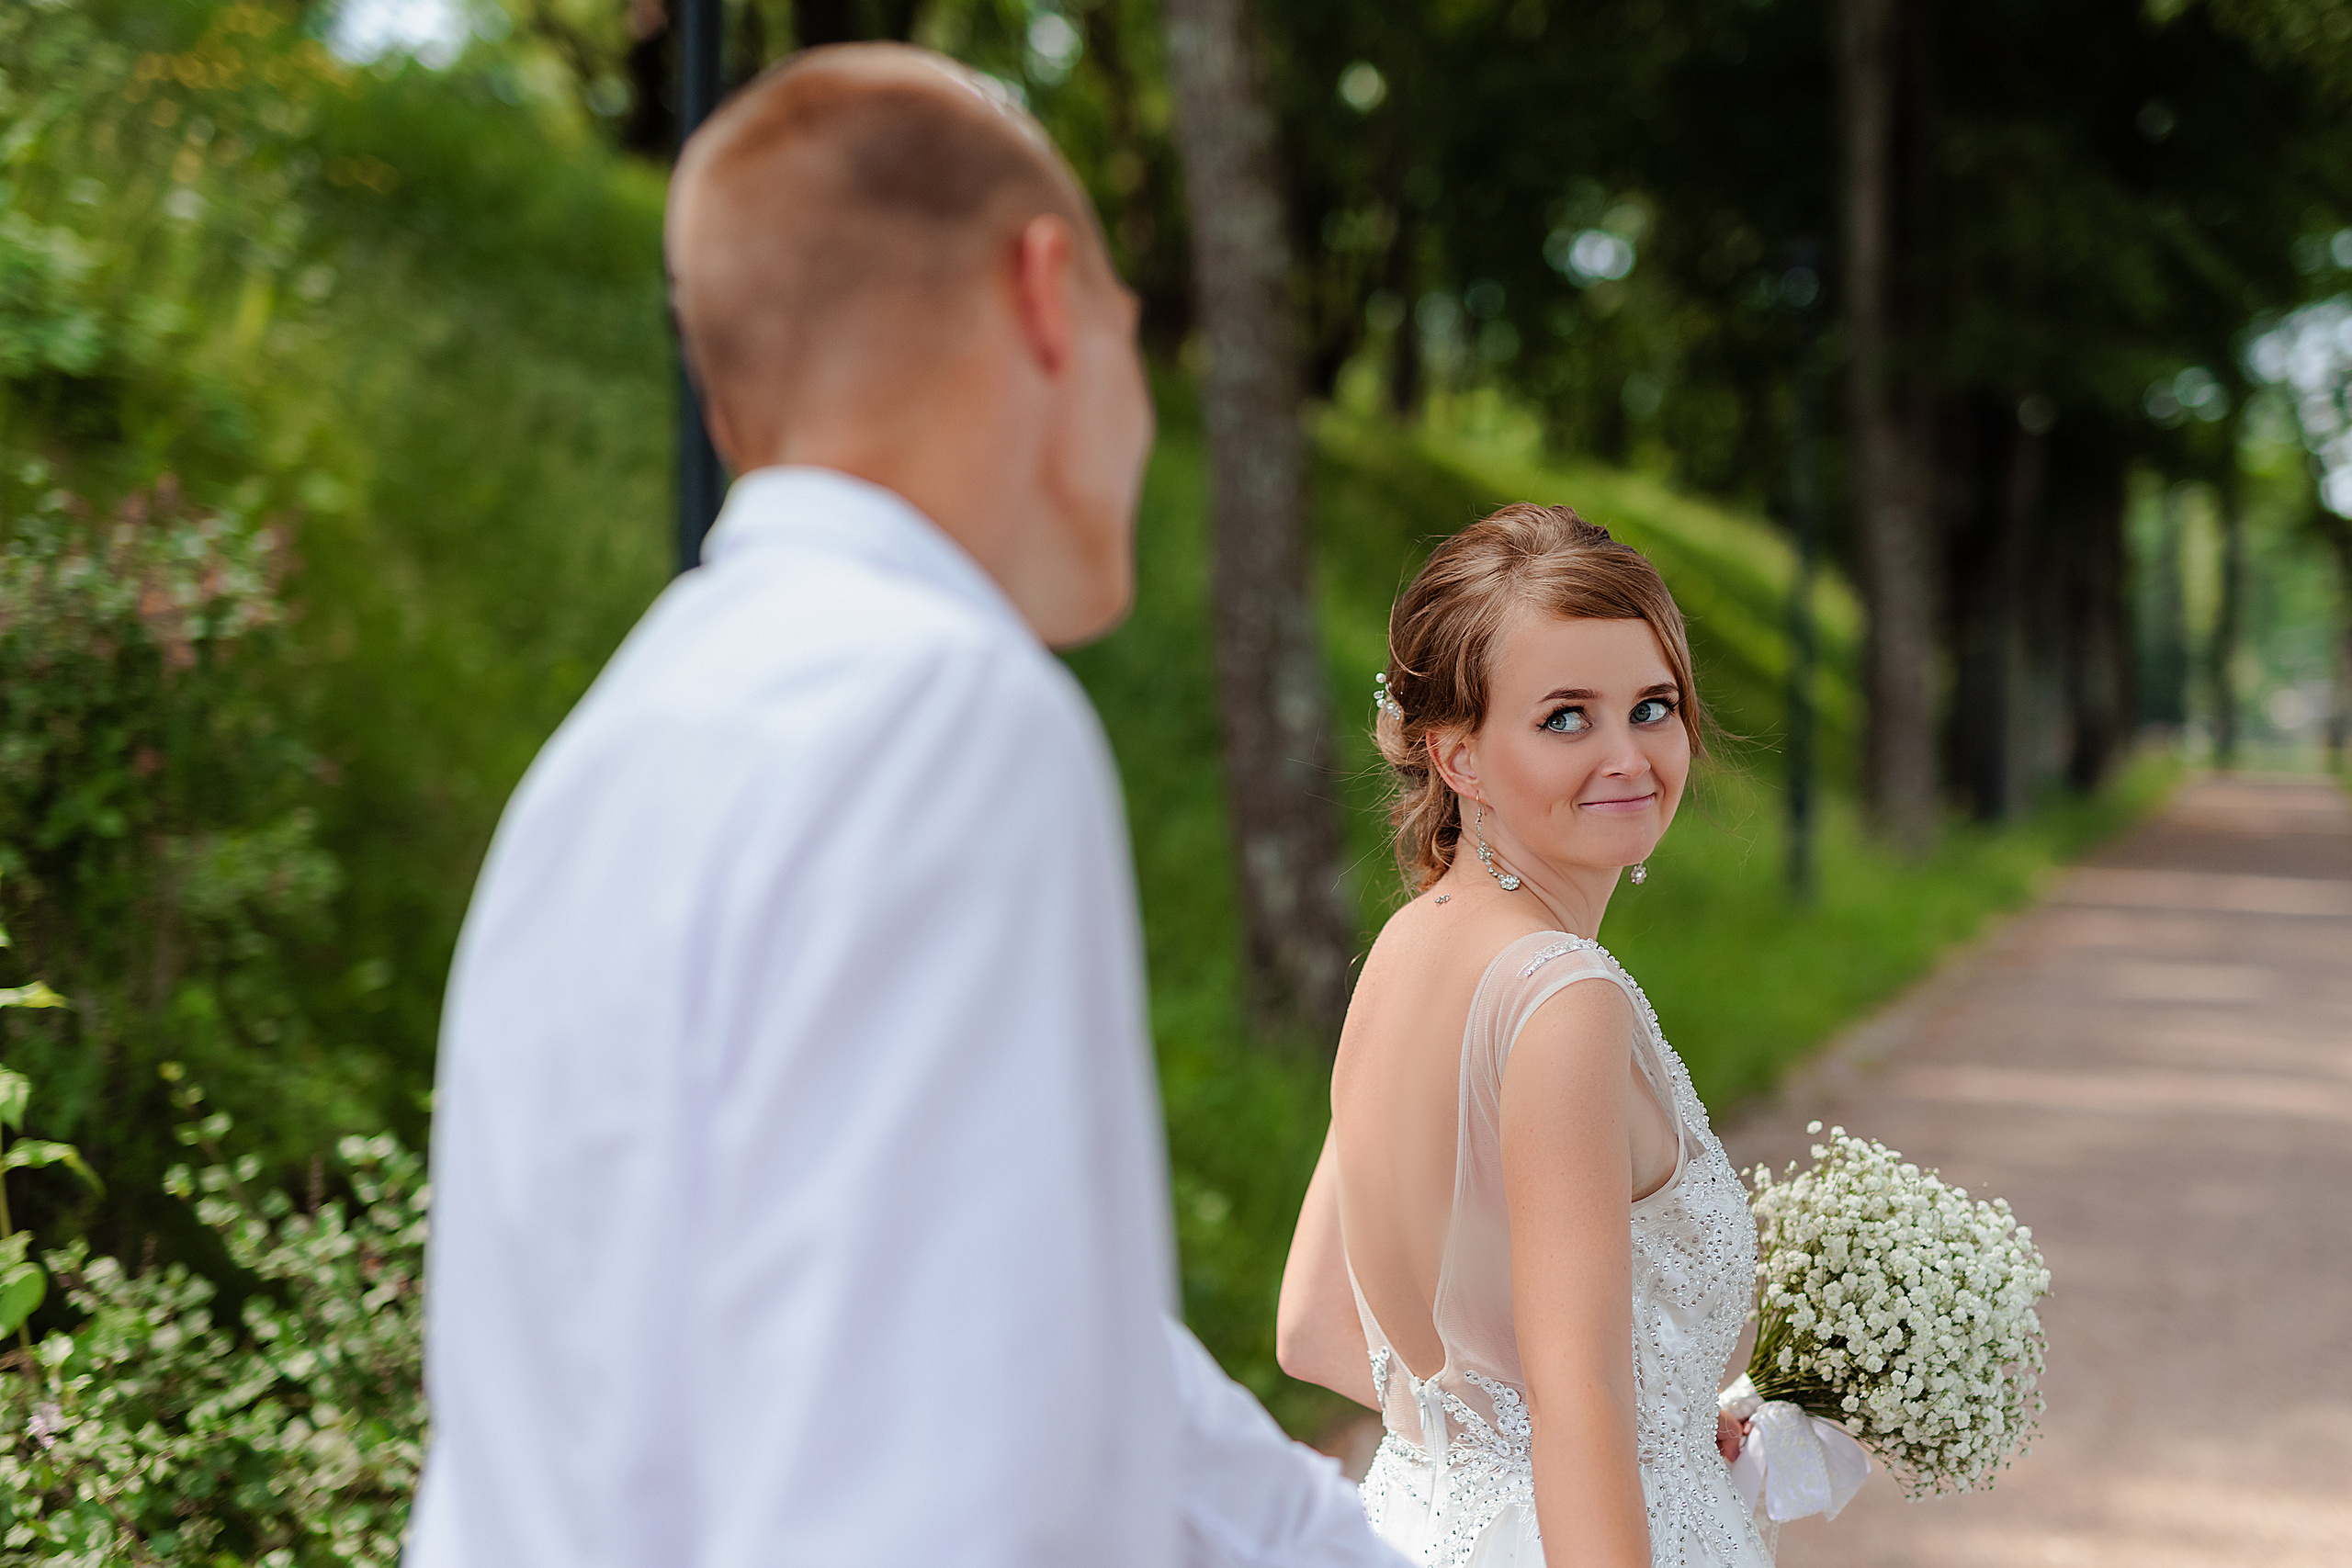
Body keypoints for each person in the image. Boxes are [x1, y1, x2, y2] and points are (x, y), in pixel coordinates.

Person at [405, 43, 1403, 1568]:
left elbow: (1091, 1376)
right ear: (1042, 293)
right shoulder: (939, 707)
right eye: (1136, 338)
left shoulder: (604, 755)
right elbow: (955, 1500)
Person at [1272, 504, 1773, 1568]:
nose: (1628, 755)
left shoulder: (1408, 949)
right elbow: (1572, 1402)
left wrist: (1660, 1427)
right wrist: (1619, 1435)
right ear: (1457, 755)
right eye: (1563, 718)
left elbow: (1315, 1325)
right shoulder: (1563, 999)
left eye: (1651, 706)